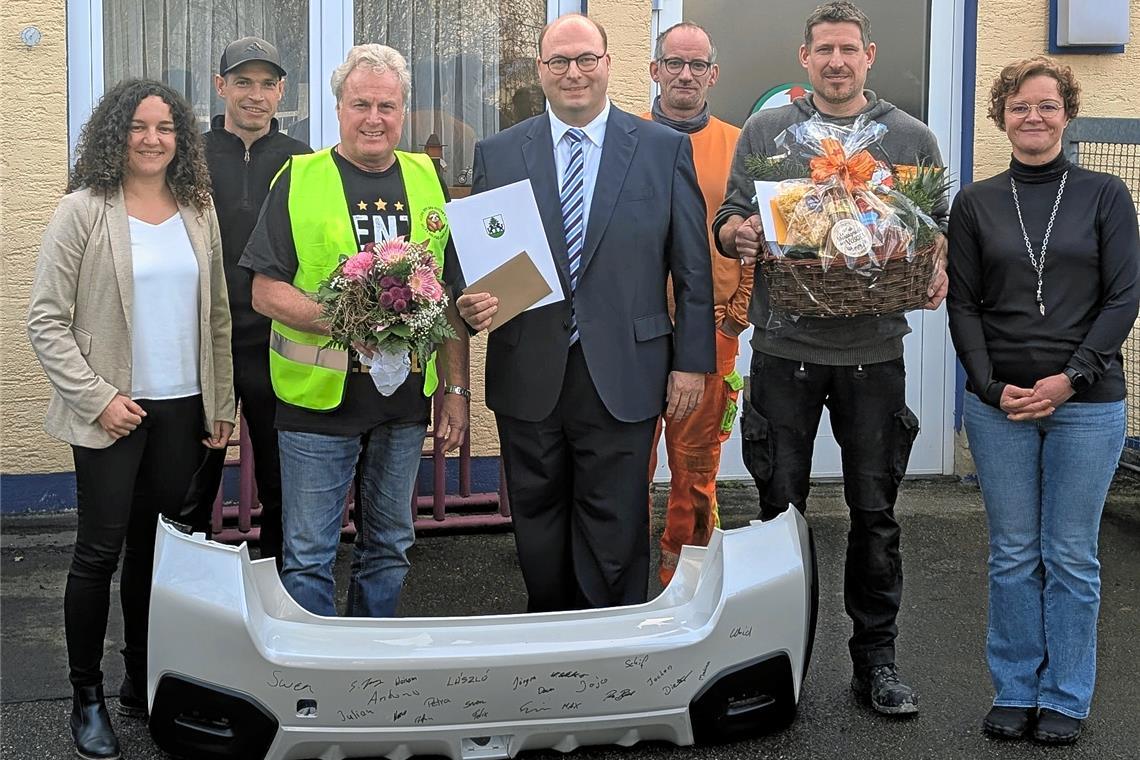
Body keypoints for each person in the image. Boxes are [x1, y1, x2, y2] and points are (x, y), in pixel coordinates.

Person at [713, 1, 947, 715]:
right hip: (785, 347)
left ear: (869, 56)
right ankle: (770, 663)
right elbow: (726, 218)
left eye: (849, 49)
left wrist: (935, 259)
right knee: (777, 511)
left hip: (874, 353)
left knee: (875, 513)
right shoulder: (768, 131)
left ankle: (875, 663)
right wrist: (741, 234)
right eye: (825, 50)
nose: (837, 61)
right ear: (804, 57)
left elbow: (934, 224)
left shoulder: (909, 136)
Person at [456, 13, 715, 612]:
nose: (573, 73)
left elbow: (693, 272)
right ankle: (549, 644)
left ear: (607, 64)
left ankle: (614, 650)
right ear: (541, 71)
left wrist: (691, 363)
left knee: (617, 527)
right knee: (537, 523)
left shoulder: (661, 148)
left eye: (585, 60)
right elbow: (472, 265)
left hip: (627, 368)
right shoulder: (498, 152)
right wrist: (469, 302)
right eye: (559, 62)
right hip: (530, 368)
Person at [26, 79, 235, 759]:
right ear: (118, 133)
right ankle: (86, 696)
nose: (153, 139)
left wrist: (221, 406)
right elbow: (46, 322)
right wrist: (97, 398)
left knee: (161, 558)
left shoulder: (197, 209)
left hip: (183, 412)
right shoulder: (83, 211)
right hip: (114, 413)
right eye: (140, 127)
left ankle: (143, 682)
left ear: (182, 139)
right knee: (98, 555)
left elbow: (219, 320)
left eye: (166, 128)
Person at [947, 56, 1139, 745]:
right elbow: (964, 306)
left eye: (1047, 105)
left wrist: (1072, 377)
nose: (1033, 116)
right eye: (1020, 106)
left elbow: (1123, 297)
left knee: (1071, 553)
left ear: (1067, 113)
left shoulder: (1106, 195)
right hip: (1000, 405)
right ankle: (1016, 686)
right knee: (1012, 551)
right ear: (1001, 115)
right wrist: (990, 386)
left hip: (1088, 403)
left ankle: (1065, 695)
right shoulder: (974, 203)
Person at [241, 44, 470, 619]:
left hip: (403, 405)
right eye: (360, 103)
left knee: (390, 547)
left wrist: (455, 390)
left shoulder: (428, 177)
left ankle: (372, 679)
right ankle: (312, 679)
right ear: (338, 108)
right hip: (317, 403)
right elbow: (264, 291)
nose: (374, 118)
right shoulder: (299, 178)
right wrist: (348, 324)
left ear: (403, 110)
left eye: (387, 106)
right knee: (309, 553)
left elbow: (449, 296)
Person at [193, 36, 312, 564]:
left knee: (281, 481)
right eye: (243, 82)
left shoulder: (303, 162)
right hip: (207, 345)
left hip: (276, 342)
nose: (255, 95)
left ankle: (280, 594)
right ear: (221, 86)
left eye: (267, 84)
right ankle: (190, 594)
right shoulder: (188, 155)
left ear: (282, 91)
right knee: (193, 485)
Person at [642, 22, 752, 587]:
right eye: (674, 63)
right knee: (627, 463)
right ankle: (626, 578)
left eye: (697, 65)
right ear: (654, 70)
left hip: (710, 331)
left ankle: (682, 579)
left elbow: (757, 239)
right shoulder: (623, 137)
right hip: (634, 333)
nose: (685, 74)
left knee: (696, 469)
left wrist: (738, 314)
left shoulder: (738, 146)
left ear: (713, 74)